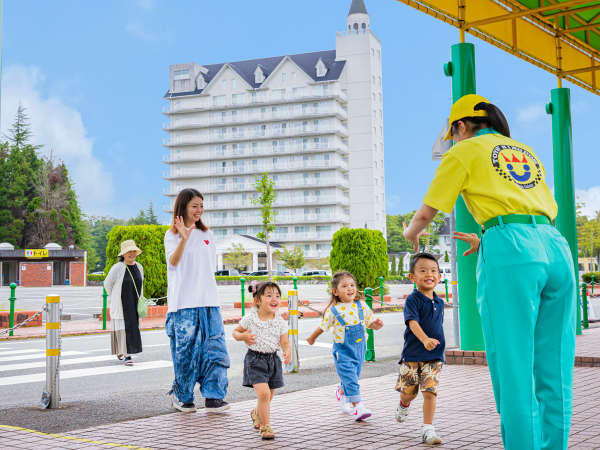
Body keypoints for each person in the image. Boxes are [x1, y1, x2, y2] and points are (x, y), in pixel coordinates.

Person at [403, 94, 576, 450]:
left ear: (461, 127)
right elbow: (531, 209)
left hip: (509, 247)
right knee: (556, 365)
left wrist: (410, 233)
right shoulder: (523, 150)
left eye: (454, 135)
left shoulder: (463, 151)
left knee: (513, 365)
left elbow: (427, 212)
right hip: (554, 246)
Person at [164, 188, 230, 413]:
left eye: (201, 206)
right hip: (184, 303)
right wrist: (184, 239)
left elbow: (210, 267)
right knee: (185, 353)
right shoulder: (171, 235)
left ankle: (214, 397)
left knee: (215, 349)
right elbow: (173, 264)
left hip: (209, 301)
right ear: (182, 207)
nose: (199, 210)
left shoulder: (207, 234)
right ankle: (185, 398)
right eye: (194, 206)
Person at [306, 271, 384, 421]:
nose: (350, 288)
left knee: (352, 377)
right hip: (342, 351)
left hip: (360, 349)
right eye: (344, 286)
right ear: (335, 292)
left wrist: (377, 325)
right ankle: (358, 407)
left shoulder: (361, 306)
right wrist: (311, 338)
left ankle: (341, 392)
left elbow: (370, 324)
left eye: (352, 285)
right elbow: (322, 327)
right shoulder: (333, 310)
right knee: (351, 378)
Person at [395, 253, 445, 445]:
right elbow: (413, 323)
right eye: (422, 271)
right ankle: (404, 403)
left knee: (430, 391)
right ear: (412, 276)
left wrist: (433, 344)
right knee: (410, 393)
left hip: (434, 356)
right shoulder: (412, 300)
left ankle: (428, 429)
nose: (429, 274)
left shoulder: (439, 302)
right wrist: (425, 340)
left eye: (433, 271)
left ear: (440, 276)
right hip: (412, 355)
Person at [232, 281, 291, 440]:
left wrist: (287, 351)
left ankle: (256, 413)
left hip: (273, 360)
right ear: (258, 300)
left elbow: (284, 341)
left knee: (269, 396)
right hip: (255, 360)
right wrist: (243, 336)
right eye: (269, 295)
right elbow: (236, 333)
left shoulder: (280, 321)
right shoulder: (251, 318)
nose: (275, 299)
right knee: (264, 394)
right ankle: (265, 427)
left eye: (277, 296)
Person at [104, 240, 144, 366]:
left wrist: (141, 299)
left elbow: (141, 285)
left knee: (133, 328)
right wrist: (115, 296)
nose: (131, 254)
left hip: (135, 303)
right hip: (122, 303)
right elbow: (107, 284)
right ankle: (127, 356)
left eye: (133, 251)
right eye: (128, 252)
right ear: (123, 254)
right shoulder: (118, 268)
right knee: (123, 328)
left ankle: (124, 351)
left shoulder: (139, 267)